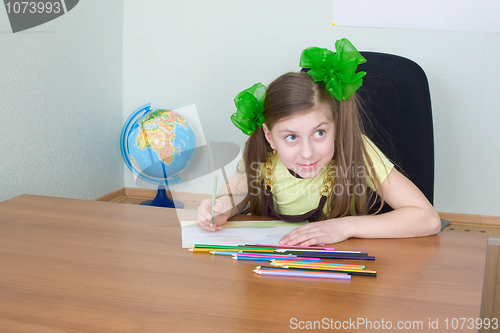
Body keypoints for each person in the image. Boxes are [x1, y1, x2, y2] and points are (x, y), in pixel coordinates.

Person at [197, 38, 441, 246]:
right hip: (275, 268)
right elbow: (233, 195)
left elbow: (427, 218)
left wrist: (345, 227)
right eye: (291, 137)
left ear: (336, 127)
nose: (307, 153)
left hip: (338, 267)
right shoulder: (260, 151)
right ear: (270, 137)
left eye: (319, 133)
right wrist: (219, 209)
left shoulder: (356, 149)